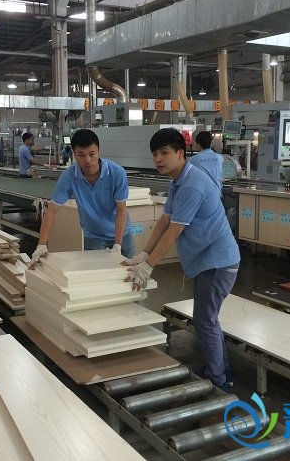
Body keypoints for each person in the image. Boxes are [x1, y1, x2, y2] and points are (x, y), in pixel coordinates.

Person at [124, 128, 240, 391]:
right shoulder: (177, 181)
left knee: (205, 319)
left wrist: (148, 266)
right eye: (155, 154)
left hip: (218, 261)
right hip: (207, 260)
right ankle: (221, 370)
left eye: (164, 153)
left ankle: (218, 380)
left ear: (180, 153)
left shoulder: (192, 184)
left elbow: (175, 230)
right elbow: (164, 221)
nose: (158, 159)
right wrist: (144, 254)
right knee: (207, 318)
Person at [30, 128, 135, 262]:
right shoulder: (69, 176)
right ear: (74, 154)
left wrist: (118, 244)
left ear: (99, 151)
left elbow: (121, 210)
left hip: (122, 234)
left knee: (127, 272)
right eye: (81, 155)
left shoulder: (116, 173)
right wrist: (41, 244)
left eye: (92, 154)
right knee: (95, 274)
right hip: (94, 236)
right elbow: (51, 211)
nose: (88, 160)